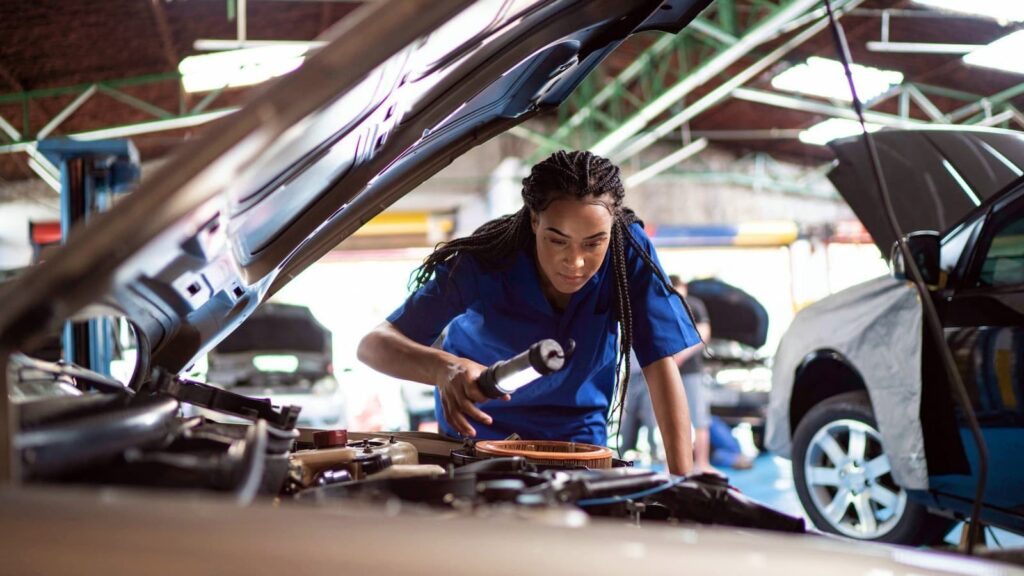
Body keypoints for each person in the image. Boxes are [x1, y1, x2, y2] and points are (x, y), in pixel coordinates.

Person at [357, 150, 701, 475]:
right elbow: (374, 346)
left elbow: (659, 364)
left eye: (593, 242)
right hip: (478, 441)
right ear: (535, 221)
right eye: (557, 240)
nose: (576, 261)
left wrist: (682, 481)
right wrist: (443, 369)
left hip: (577, 447)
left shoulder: (626, 251)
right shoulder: (486, 261)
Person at [670, 276, 717, 475]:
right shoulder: (666, 305)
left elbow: (703, 334)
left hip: (692, 371)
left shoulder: (694, 305)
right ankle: (673, 464)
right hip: (672, 372)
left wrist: (681, 355)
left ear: (684, 287)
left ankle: (702, 463)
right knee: (672, 419)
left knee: (699, 419)